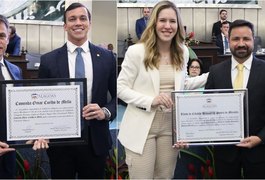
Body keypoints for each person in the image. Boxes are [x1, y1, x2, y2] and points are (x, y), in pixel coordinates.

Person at [117, 1, 208, 179]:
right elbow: (121, 88)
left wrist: (212, 75)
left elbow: (182, 85)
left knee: (165, 177)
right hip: (142, 128)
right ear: (154, 23)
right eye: (162, 20)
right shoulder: (136, 52)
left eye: (172, 21)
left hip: (170, 127)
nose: (168, 26)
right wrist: (152, 101)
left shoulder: (181, 51)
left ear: (178, 25)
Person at [38, 2, 116, 179]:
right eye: (72, 19)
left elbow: (118, 96)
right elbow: (41, 101)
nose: (78, 23)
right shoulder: (48, 61)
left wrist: (105, 112)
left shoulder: (107, 58)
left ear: (90, 23)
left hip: (95, 140)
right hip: (61, 143)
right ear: (65, 26)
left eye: (82, 18)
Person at [205, 19, 265, 178]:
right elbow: (206, 108)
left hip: (260, 151)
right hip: (225, 153)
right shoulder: (215, 71)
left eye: (246, 38)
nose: (241, 43)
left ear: (253, 40)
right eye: (236, 39)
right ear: (228, 40)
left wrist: (260, 138)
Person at [0, 14, 48, 179]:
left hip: (9, 151)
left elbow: (20, 110)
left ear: (8, 39)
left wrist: (33, 131)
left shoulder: (15, 71)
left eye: (1, 36)